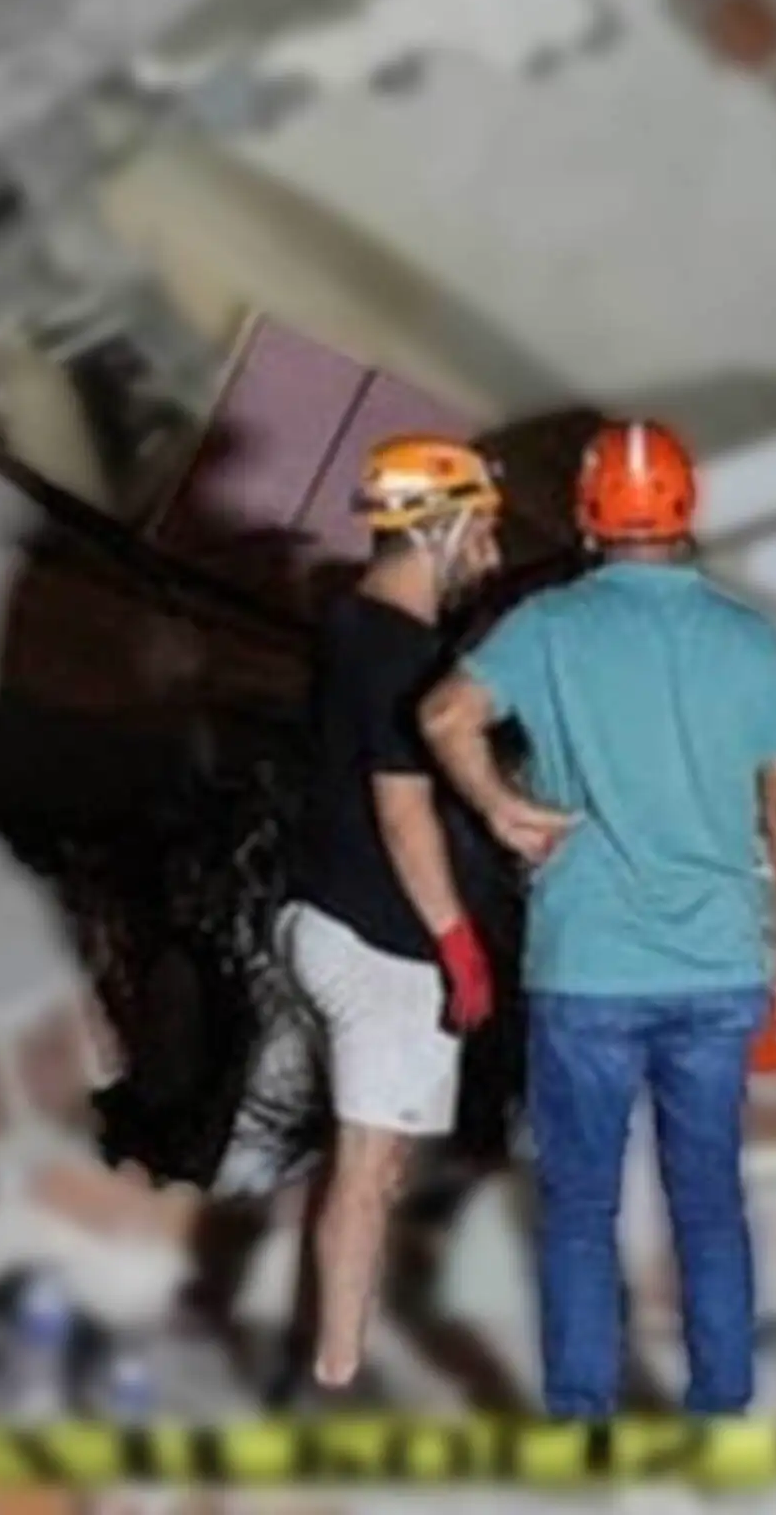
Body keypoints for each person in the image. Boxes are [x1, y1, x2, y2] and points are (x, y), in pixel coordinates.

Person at [420, 419, 776, 1418]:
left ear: (587, 516)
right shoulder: (748, 639)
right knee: (709, 1207)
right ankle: (720, 1418)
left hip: (587, 968)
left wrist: (496, 806)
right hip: (717, 965)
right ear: (686, 512)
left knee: (579, 1211)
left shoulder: (549, 627)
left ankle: (582, 1425)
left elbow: (443, 717)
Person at [276, 434, 506, 1393]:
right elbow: (402, 808)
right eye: (482, 533)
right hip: (387, 950)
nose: (489, 554)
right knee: (367, 1176)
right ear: (443, 528)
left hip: (317, 914)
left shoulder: (350, 623)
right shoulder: (405, 654)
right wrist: (458, 942)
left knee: (369, 1165)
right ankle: (334, 1375)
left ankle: (331, 1334)